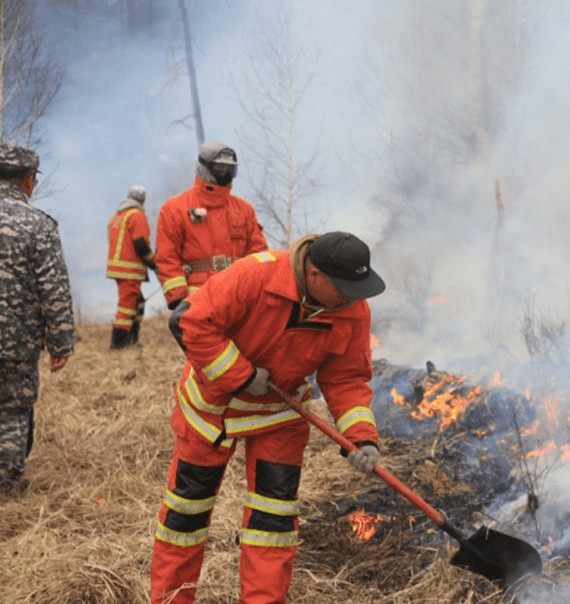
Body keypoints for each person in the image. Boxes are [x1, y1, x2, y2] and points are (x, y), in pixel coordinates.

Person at [151, 231, 386, 604]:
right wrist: (240, 375)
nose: (352, 300)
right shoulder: (254, 275)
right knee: (186, 515)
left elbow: (345, 378)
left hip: (280, 417)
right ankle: (170, 599)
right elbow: (191, 323)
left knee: (273, 522)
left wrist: (361, 437)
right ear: (314, 277)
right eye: (343, 289)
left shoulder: (351, 306)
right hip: (212, 413)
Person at [0, 143, 74, 493]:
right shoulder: (38, 224)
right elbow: (54, 290)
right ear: (28, 181)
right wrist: (61, 342)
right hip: (16, 342)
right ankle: (3, 482)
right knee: (13, 409)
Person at [155, 140, 267, 311]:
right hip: (197, 299)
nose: (226, 173)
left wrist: (258, 292)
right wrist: (179, 299)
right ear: (205, 167)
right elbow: (166, 257)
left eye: (230, 168)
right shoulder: (175, 208)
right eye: (220, 168)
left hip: (240, 296)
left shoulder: (244, 210)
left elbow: (258, 255)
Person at [106, 184, 157, 349]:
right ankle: (119, 344)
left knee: (138, 301)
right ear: (143, 200)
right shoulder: (137, 215)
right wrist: (153, 262)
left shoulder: (117, 216)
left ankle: (132, 338)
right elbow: (141, 244)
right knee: (127, 306)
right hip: (130, 269)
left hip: (117, 267)